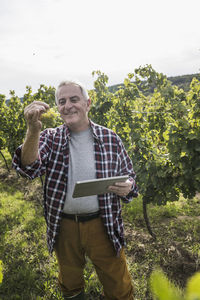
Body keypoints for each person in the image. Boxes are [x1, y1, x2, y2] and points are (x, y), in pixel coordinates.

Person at [12, 80, 138, 300]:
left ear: (88, 103)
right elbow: (29, 167)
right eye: (61, 101)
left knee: (118, 286)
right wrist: (33, 130)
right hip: (65, 225)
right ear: (58, 108)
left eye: (74, 99)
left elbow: (130, 176)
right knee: (70, 283)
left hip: (103, 223)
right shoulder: (50, 138)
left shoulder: (110, 138)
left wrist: (128, 187)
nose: (67, 105)